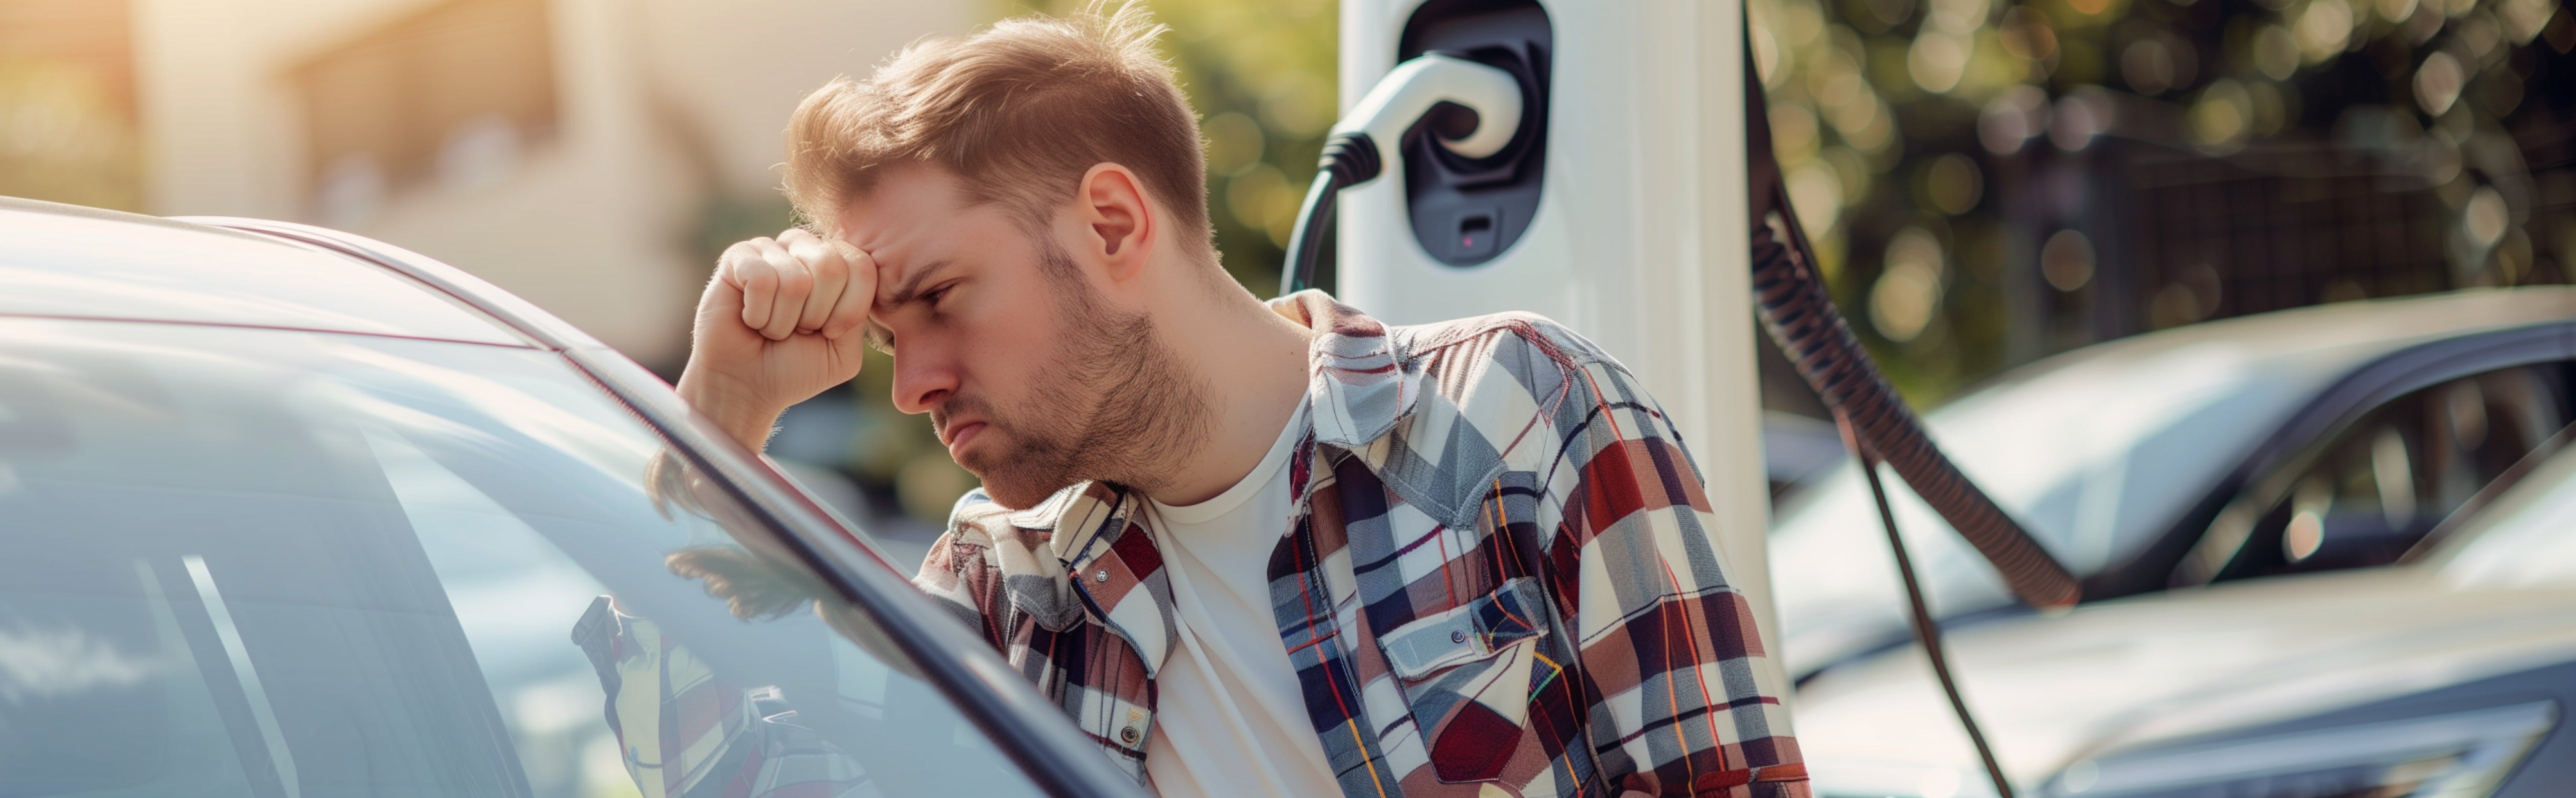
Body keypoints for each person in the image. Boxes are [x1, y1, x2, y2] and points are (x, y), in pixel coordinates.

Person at [673, 5, 1809, 796]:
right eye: (885, 338)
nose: (911, 382)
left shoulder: (1523, 412)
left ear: (1113, 225)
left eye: (939, 300)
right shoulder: (1005, 589)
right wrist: (718, 419)